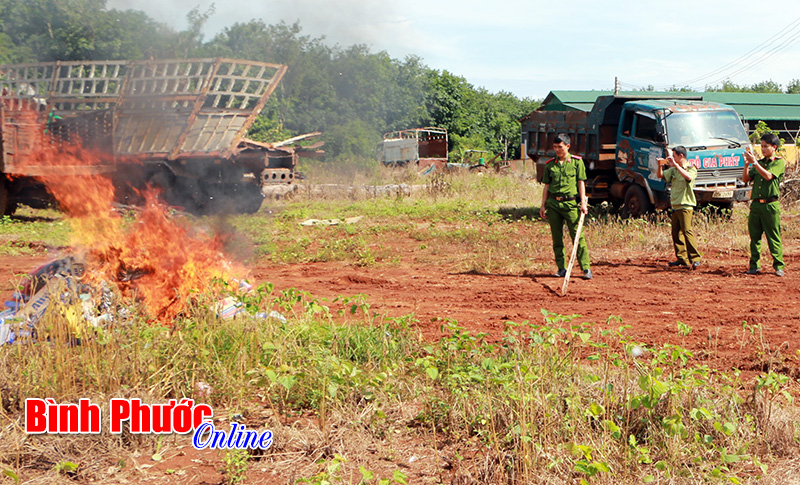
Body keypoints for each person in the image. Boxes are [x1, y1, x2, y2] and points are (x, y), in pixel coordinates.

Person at [539, 133, 592, 279]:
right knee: (557, 238)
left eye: (560, 147)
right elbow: (546, 186)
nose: (557, 150)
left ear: (567, 146)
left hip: (571, 204)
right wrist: (542, 205)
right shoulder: (550, 164)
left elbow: (581, 182)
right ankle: (561, 268)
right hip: (554, 204)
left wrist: (583, 203)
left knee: (577, 237)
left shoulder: (576, 162)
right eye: (555, 147)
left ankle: (586, 268)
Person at [742, 133, 785, 276]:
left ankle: (779, 266)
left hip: (770, 205)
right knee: (754, 237)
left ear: (774, 147)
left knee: (773, 236)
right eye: (761, 146)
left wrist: (755, 163)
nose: (763, 149)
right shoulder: (759, 162)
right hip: (756, 205)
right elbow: (746, 179)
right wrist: (747, 164)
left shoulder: (778, 162)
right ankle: (754, 265)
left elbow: (768, 176)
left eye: (766, 146)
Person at [657, 146, 701, 269]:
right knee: (676, 233)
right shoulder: (674, 170)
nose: (673, 159)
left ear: (681, 156)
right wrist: (660, 165)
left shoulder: (690, 168)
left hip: (686, 205)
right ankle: (681, 258)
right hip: (675, 204)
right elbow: (661, 176)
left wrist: (675, 165)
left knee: (687, 231)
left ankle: (695, 258)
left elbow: (688, 177)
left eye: (675, 156)